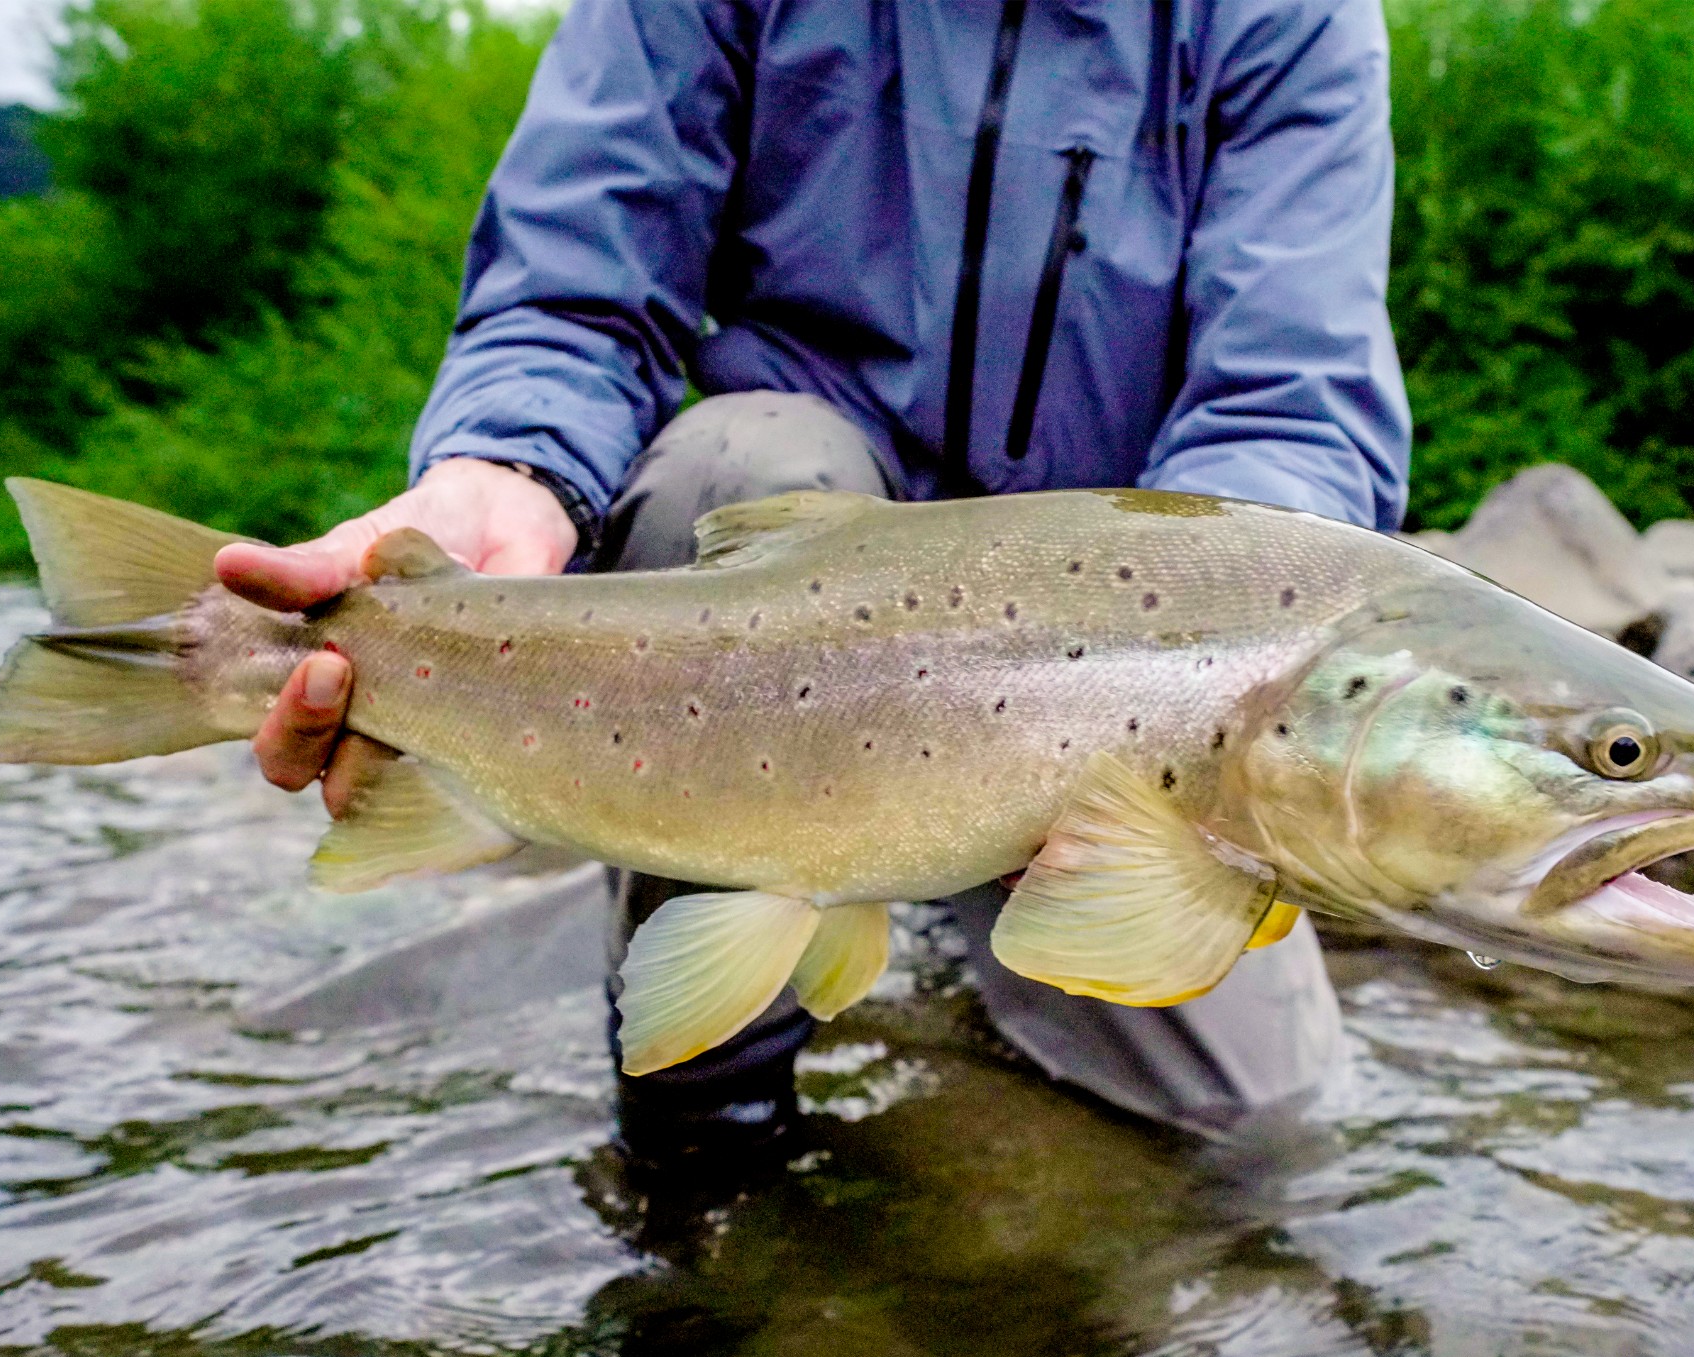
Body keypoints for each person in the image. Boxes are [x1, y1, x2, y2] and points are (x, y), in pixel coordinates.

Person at [214, 0, 1410, 1174]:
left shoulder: (1284, 18)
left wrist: (1224, 711)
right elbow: (578, 291)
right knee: (727, 465)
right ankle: (705, 1146)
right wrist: (509, 470)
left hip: (1100, 657)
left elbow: (1287, 412)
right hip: (797, 580)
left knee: (1260, 1132)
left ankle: (943, 893)